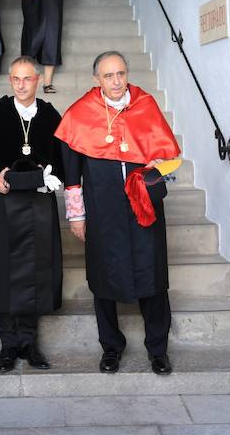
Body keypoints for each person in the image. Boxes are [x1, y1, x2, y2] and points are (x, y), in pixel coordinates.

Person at [55, 51, 181, 375]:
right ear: (96, 79)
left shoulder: (145, 105)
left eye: (121, 74)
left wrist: (158, 166)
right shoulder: (79, 114)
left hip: (144, 209)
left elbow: (168, 158)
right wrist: (77, 215)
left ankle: (158, 349)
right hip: (102, 210)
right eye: (109, 75)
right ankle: (111, 347)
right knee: (103, 277)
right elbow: (71, 175)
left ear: (127, 74)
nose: (116, 81)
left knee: (152, 277)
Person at [0, 56, 64, 372]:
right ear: (10, 81)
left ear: (37, 81)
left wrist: (50, 178)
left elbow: (62, 159)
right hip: (3, 207)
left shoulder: (50, 116)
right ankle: (7, 345)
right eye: (16, 79)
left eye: (27, 79)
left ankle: (29, 344)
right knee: (4, 273)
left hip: (39, 207)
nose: (21, 85)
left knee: (35, 272)